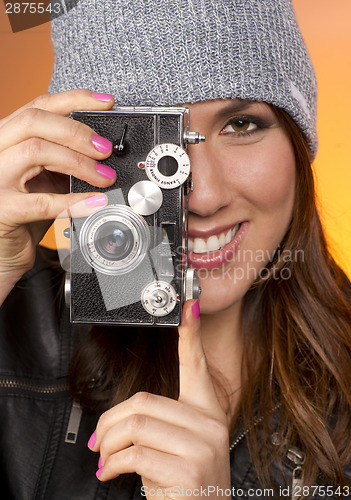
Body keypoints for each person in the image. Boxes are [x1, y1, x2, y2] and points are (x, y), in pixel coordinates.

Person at [1, 0, 351, 499]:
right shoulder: (12, 310)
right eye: (147, 142)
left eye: (241, 125)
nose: (202, 196)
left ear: (298, 143)